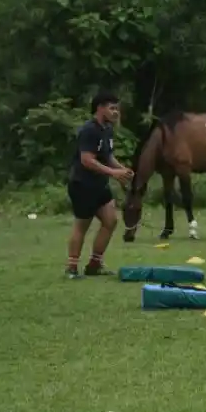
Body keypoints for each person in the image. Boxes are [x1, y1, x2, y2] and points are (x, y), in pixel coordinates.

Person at [65, 90, 132, 279]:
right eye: (112, 108)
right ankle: (71, 268)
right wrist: (114, 173)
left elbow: (107, 156)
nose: (116, 112)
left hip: (99, 185)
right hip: (82, 184)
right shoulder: (89, 130)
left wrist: (123, 170)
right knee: (82, 226)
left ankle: (95, 264)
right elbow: (87, 160)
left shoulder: (107, 129)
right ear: (100, 108)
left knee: (111, 221)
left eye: (117, 109)